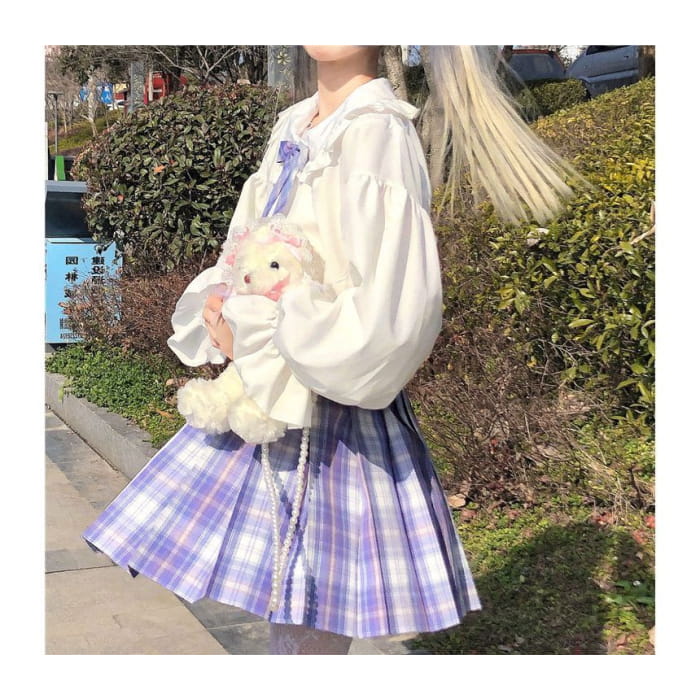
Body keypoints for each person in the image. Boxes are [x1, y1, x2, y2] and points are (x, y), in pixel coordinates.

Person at [82, 45, 576, 655]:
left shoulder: (376, 132)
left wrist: (264, 331)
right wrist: (223, 302)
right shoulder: (296, 125)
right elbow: (251, 245)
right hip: (268, 396)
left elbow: (390, 306)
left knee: (306, 622)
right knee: (289, 619)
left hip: (332, 414)